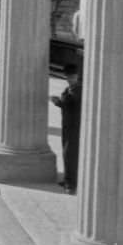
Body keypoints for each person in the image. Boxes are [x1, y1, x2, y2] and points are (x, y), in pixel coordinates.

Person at [50, 63, 82, 194]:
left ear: (77, 76)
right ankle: (68, 179)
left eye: (72, 77)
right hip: (67, 125)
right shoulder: (69, 89)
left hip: (75, 127)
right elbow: (67, 105)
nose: (70, 79)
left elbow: (75, 106)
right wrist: (58, 102)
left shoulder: (79, 90)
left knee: (71, 154)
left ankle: (71, 184)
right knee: (66, 153)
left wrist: (60, 102)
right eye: (68, 77)